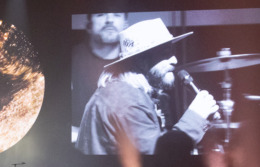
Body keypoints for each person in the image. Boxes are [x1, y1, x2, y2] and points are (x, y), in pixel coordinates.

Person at [76, 18, 218, 155]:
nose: (175, 60)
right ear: (141, 60)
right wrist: (196, 116)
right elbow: (160, 157)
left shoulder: (122, 92)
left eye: (173, 52)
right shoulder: (126, 100)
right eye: (166, 53)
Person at [72, 13, 128, 140]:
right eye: (101, 14)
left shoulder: (137, 59)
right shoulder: (71, 56)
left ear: (125, 24)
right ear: (89, 26)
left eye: (117, 15)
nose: (109, 20)